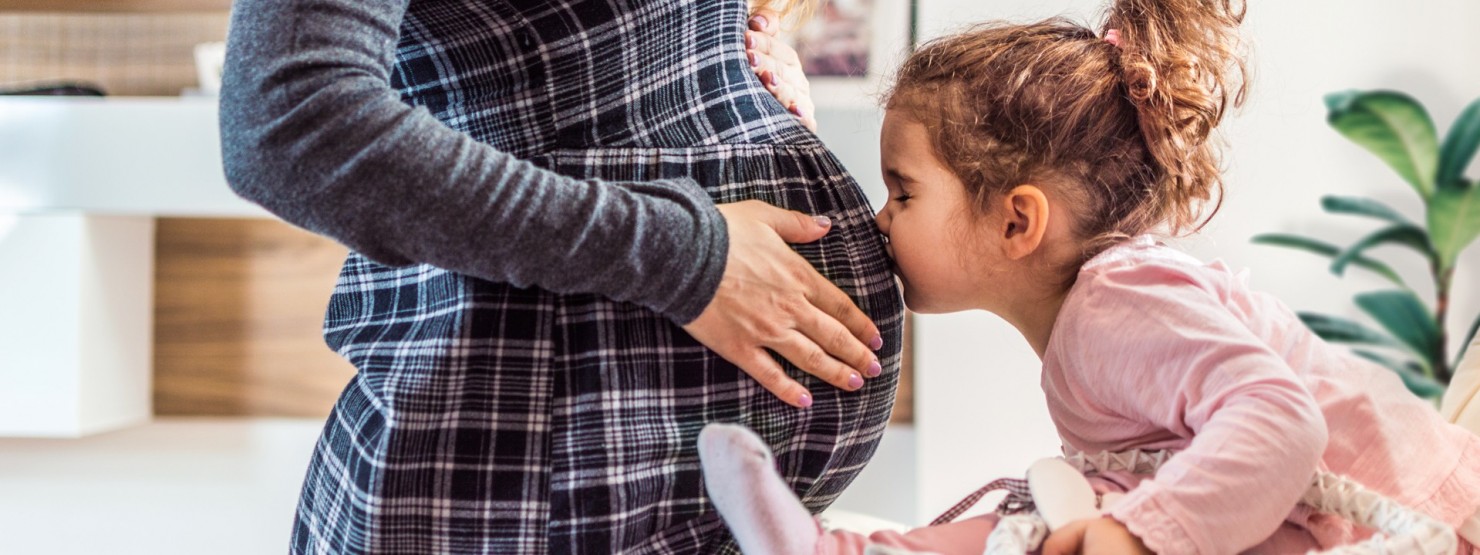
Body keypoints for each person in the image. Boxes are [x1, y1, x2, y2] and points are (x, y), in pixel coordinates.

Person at [696, 0, 1480, 553]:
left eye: (903, 190)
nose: (881, 217)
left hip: (1422, 524)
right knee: (1060, 506)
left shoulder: (1119, 303)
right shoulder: (1093, 320)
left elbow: (1281, 419)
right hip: (1314, 515)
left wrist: (1145, 532)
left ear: (1016, 221)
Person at [218, 0, 904, 552]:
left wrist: (731, 56)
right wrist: (684, 257)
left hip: (679, 481)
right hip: (535, 466)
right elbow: (286, 120)